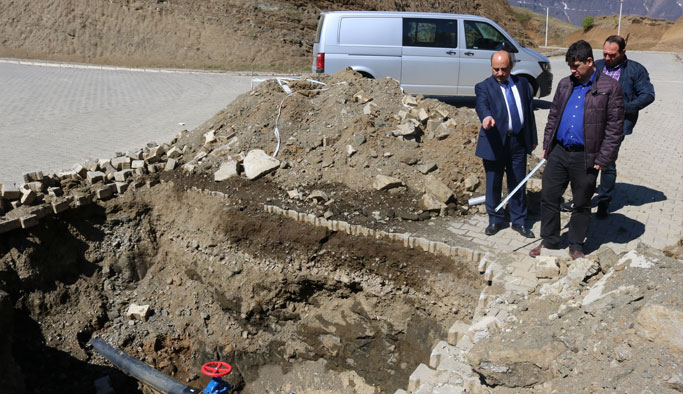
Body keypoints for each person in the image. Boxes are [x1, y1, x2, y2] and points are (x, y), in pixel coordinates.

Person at [530, 40, 624, 260]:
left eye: (576, 66)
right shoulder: (565, 84)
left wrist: (604, 157)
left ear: (589, 61)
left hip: (587, 156)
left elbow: (615, 128)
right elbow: (553, 117)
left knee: (581, 203)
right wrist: (547, 145)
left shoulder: (610, 88)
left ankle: (576, 245)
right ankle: (550, 240)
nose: (573, 71)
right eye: (570, 66)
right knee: (550, 196)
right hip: (559, 151)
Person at [560, 35, 655, 217]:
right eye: (605, 54)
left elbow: (648, 95)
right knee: (584, 160)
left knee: (607, 163)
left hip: (617, 124)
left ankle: (604, 200)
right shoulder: (598, 65)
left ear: (623, 52)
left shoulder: (636, 70)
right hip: (591, 123)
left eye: (612, 55)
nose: (608, 58)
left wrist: (622, 108)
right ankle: (579, 199)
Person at [474, 50, 538, 238]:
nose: (500, 73)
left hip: (517, 142)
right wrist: (486, 118)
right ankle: (495, 219)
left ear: (511, 66)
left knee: (518, 182)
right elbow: (481, 105)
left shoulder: (523, 84)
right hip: (494, 142)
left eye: (504, 69)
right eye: (496, 69)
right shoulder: (484, 87)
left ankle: (519, 220)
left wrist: (532, 138)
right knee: (493, 182)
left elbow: (529, 113)